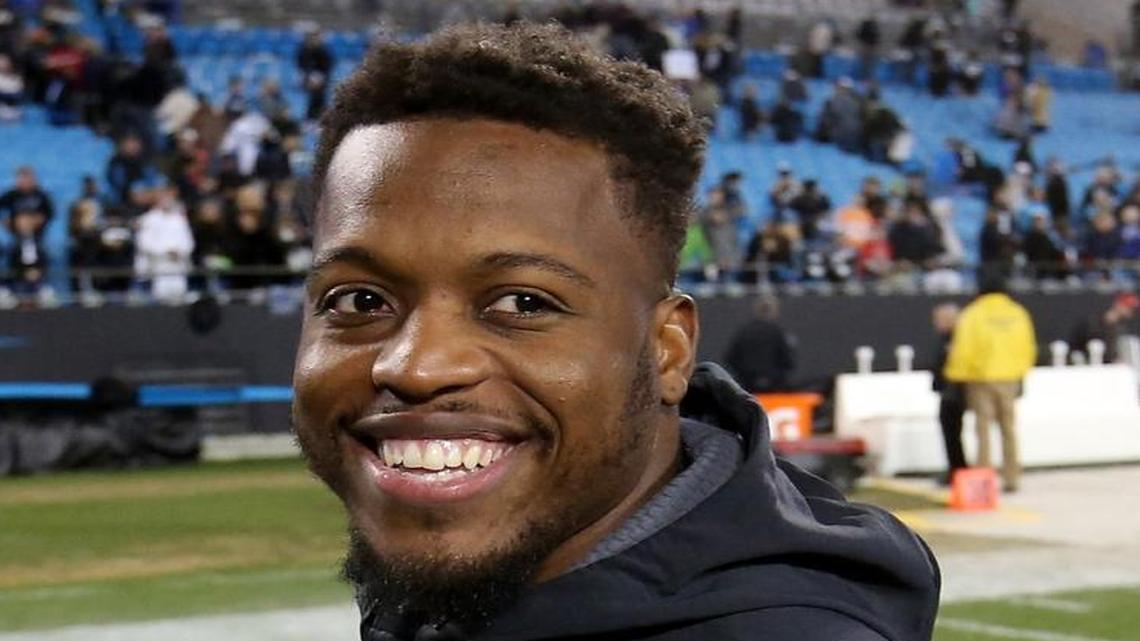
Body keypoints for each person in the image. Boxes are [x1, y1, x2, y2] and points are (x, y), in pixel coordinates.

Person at [292, 23, 939, 641]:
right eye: (360, 298)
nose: (416, 365)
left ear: (668, 350)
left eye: (522, 302)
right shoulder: (467, 585)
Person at [944, 272, 1037, 493]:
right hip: (1010, 378)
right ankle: (1012, 477)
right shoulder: (1018, 313)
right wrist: (1020, 370)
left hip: (981, 379)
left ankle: (984, 482)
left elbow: (963, 349)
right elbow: (1029, 346)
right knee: (1009, 429)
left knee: (982, 429)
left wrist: (955, 374)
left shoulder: (973, 314)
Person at [723, 296, 797, 393]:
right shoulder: (778, 332)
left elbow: (730, 357)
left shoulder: (744, 332)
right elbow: (788, 360)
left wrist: (743, 374)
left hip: (747, 385)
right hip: (775, 386)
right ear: (774, 311)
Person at [931, 303, 966, 485]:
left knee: (952, 432)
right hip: (949, 390)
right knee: (951, 433)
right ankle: (956, 468)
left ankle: (958, 470)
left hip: (954, 391)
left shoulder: (957, 339)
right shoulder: (948, 338)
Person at [1068, 293, 1139, 365]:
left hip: (1109, 369)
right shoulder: (1093, 323)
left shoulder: (1120, 329)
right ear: (1118, 305)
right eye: (1128, 307)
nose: (1131, 311)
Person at [297, 29, 333, 121]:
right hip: (306, 77)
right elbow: (301, 65)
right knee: (312, 91)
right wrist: (309, 76)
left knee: (320, 91)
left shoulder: (324, 50)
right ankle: (309, 117)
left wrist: (320, 78)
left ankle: (319, 116)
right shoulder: (303, 50)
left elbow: (327, 66)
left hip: (321, 78)